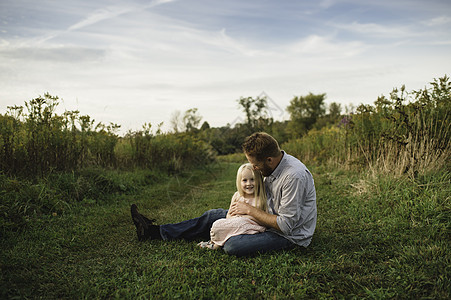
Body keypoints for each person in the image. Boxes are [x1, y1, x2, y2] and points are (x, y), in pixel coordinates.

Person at [131, 132, 317, 257]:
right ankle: (154, 232)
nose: (254, 169)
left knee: (234, 246)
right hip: (262, 218)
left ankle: (224, 238)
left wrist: (249, 211)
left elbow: (286, 226)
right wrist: (242, 207)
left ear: (269, 159)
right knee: (213, 215)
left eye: (256, 165)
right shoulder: (271, 165)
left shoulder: (294, 176)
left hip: (287, 235)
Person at [197, 163, 267, 250]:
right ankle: (215, 241)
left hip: (252, 227)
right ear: (239, 182)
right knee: (217, 224)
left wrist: (244, 217)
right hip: (235, 223)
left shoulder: (260, 198)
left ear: (259, 180)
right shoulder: (237, 196)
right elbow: (229, 215)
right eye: (245, 180)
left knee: (239, 224)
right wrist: (234, 220)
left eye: (252, 179)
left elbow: (263, 220)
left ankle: (216, 244)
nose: (249, 183)